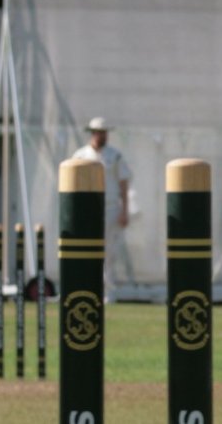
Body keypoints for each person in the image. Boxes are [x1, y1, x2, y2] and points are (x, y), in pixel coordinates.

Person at [70, 117, 135, 304]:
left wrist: (125, 211)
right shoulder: (80, 156)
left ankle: (108, 292)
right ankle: (85, 289)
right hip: (86, 210)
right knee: (85, 251)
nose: (102, 135)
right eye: (99, 132)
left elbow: (123, 183)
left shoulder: (114, 155)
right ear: (92, 133)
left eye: (105, 132)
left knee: (109, 252)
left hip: (110, 209)